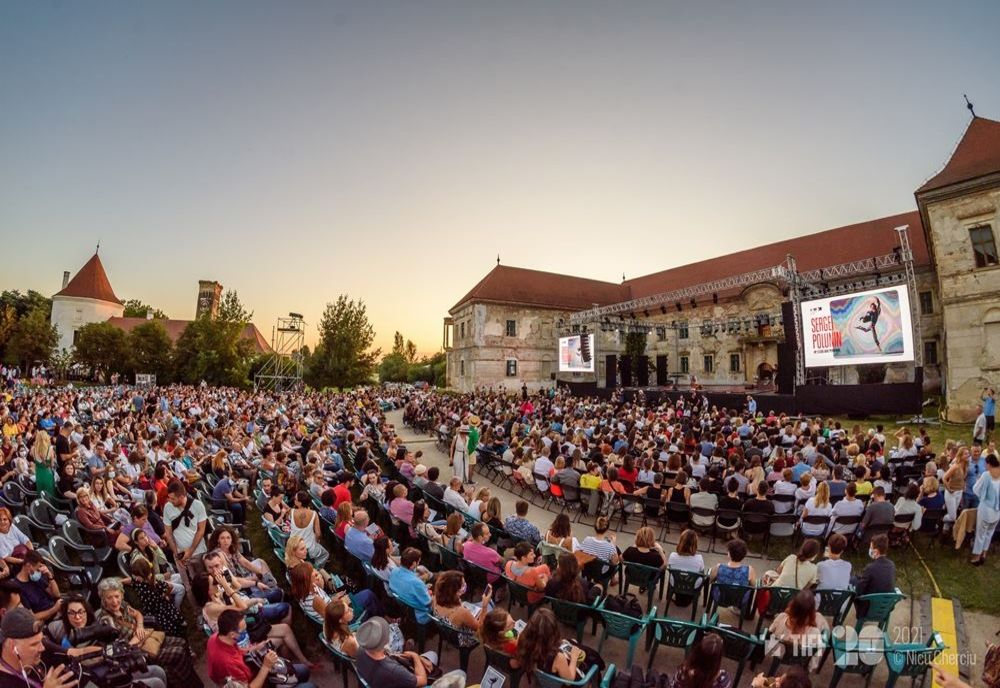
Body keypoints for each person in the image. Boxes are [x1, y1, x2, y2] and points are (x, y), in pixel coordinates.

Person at [95, 577, 204, 687]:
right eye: (109, 598)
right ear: (103, 599)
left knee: (181, 643)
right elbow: (116, 651)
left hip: (147, 638)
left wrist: (140, 627)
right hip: (136, 652)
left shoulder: (122, 604)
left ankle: (186, 679)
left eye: (117, 596)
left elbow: (137, 614)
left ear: (121, 595)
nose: (114, 601)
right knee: (178, 653)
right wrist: (136, 639)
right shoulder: (106, 622)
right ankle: (187, 684)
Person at [207, 609, 315, 688]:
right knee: (309, 686)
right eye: (243, 631)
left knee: (304, 670)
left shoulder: (217, 637)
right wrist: (266, 666)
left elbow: (237, 651)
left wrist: (254, 648)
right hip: (256, 681)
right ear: (232, 634)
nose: (246, 633)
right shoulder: (228, 664)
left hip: (253, 672)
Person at [0, 607, 79, 688]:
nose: (42, 648)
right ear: (13, 646)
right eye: (34, 644)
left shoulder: (39, 652)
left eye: (41, 640)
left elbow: (73, 652)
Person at [355, 616, 439, 688]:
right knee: (433, 655)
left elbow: (390, 655)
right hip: (401, 679)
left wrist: (417, 657)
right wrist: (416, 656)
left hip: (379, 681)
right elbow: (422, 681)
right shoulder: (393, 670)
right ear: (386, 640)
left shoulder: (361, 650)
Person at [515, 608, 597, 679]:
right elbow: (569, 680)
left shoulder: (522, 641)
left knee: (572, 641)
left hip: (539, 676)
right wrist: (574, 658)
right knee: (591, 663)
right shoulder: (557, 657)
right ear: (553, 631)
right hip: (561, 683)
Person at [766, 590, 829, 671]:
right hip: (801, 659)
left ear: (792, 605)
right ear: (812, 611)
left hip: (778, 653)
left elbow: (769, 634)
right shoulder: (815, 633)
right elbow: (816, 655)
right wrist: (809, 668)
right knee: (821, 621)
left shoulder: (781, 618)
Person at [432, 570, 492, 643]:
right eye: (463, 585)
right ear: (455, 592)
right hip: (463, 638)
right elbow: (479, 628)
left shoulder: (435, 598)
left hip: (446, 631)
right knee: (490, 613)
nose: (465, 585)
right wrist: (484, 605)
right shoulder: (462, 612)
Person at [162, 479, 207, 568]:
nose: (170, 501)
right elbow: (168, 533)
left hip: (199, 552)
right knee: (186, 581)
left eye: (173, 498)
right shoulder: (167, 507)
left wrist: (190, 551)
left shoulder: (198, 505)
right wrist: (176, 554)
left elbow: (201, 530)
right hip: (180, 554)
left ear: (182, 497)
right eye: (169, 498)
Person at [851, 535, 895, 616]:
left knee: (853, 580)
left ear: (876, 551)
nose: (870, 550)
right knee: (856, 579)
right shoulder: (891, 565)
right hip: (886, 608)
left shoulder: (870, 568)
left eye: (871, 547)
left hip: (868, 609)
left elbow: (859, 590)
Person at [388, 548, 433, 624]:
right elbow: (428, 603)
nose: (419, 563)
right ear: (414, 564)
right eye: (418, 561)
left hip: (405, 606)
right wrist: (432, 595)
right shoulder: (417, 583)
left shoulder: (394, 571)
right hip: (420, 614)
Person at [14, 551, 62, 622]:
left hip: (57, 610)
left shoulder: (35, 578)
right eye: (37, 568)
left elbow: (56, 594)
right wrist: (54, 609)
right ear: (28, 565)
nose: (38, 571)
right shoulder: (18, 588)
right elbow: (31, 617)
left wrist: (50, 576)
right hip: (48, 619)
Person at [970, 453, 1000, 566]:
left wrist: (978, 482)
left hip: (986, 510)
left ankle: (976, 557)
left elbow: (976, 489)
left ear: (988, 464)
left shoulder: (987, 475)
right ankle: (984, 554)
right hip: (997, 511)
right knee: (989, 533)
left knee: (980, 534)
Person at [289, 490, 329, 567]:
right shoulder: (314, 514)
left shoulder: (291, 512)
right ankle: (316, 568)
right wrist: (317, 541)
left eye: (295, 499)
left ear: (300, 503)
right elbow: (318, 533)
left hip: (293, 545)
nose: (294, 499)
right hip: (307, 548)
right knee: (325, 554)